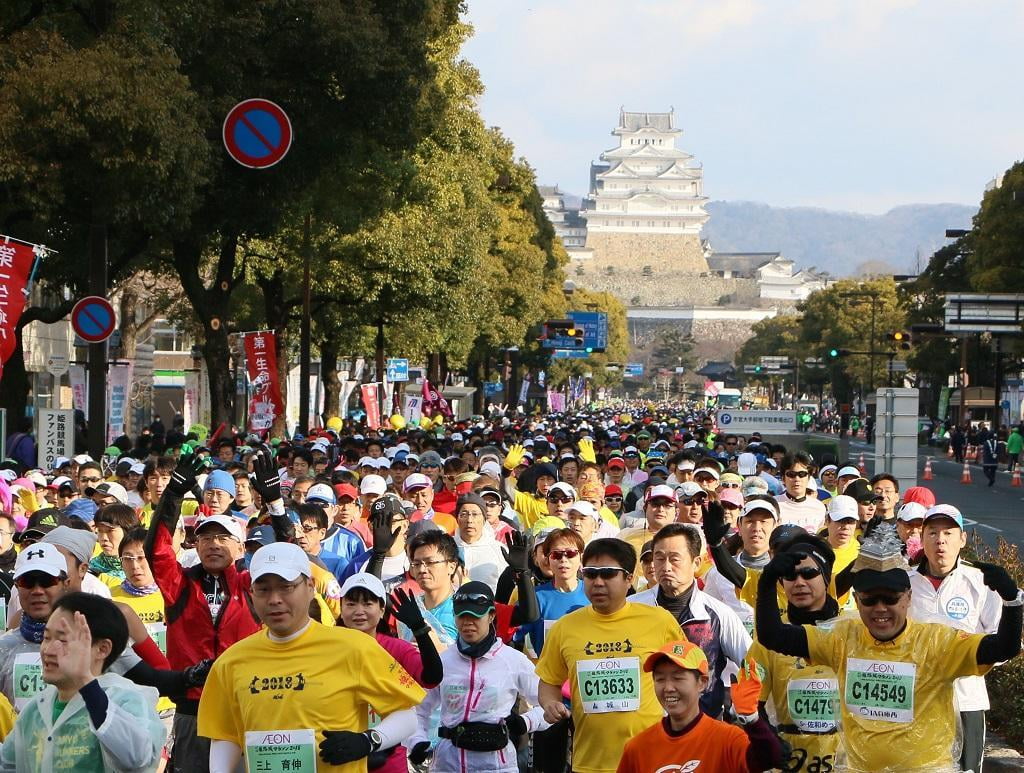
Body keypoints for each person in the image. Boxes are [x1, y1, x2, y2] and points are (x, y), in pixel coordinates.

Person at [755, 522, 1024, 772]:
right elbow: (772, 636)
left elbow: (1004, 648)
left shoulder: (938, 642)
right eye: (870, 600)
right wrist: (768, 582)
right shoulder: (841, 637)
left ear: (908, 598)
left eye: (890, 599)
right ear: (858, 601)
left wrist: (1012, 601)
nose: (880, 609)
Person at [198, 542, 426, 772]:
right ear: (252, 594)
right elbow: (224, 734)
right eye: (264, 589)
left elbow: (406, 715)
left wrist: (368, 740)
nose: (274, 599)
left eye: (286, 587)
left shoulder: (354, 647)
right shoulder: (231, 661)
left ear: (309, 587)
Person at [535, 538, 685, 773]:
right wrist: (551, 703)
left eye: (607, 573)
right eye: (591, 574)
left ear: (629, 579)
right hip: (590, 764)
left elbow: (687, 675)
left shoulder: (660, 621)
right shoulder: (565, 628)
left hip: (652, 762)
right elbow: (549, 682)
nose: (598, 582)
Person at [0, 592, 166, 771]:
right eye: (47, 637)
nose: (48, 649)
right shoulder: (35, 710)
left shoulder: (127, 701)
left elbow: (138, 758)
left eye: (63, 640)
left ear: (102, 649)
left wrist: (85, 683)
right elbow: (8, 765)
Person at [408, 582, 549, 773]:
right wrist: (417, 740)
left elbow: (549, 706)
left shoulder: (513, 660)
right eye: (462, 616)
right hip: (447, 765)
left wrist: (525, 722)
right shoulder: (443, 661)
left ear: (491, 615)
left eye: (475, 616)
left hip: (498, 766)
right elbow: (419, 708)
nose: (468, 623)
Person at [909, 504, 1003, 773]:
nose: (941, 540)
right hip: (915, 701)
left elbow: (1002, 639)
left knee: (967, 770)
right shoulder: (904, 584)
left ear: (962, 539)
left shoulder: (982, 582)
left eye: (949, 533)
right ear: (922, 538)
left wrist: (975, 660)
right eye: (933, 533)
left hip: (967, 700)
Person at [746, 534, 844, 771]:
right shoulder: (767, 639)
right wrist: (769, 740)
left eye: (809, 573)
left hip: (847, 763)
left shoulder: (852, 632)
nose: (799, 582)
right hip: (791, 763)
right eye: (789, 575)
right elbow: (747, 700)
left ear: (826, 577)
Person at [631, 523, 751, 717]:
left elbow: (752, 662)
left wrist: (744, 705)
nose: (666, 567)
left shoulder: (718, 613)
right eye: (659, 559)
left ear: (696, 563)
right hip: (645, 729)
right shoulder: (633, 609)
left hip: (705, 729)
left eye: (674, 559)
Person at [616, 641, 783, 773]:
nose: (668, 687)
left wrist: (751, 718)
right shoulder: (638, 748)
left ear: (702, 683)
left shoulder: (727, 739)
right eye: (660, 679)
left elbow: (770, 759)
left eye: (678, 678)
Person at [337, 573, 441, 773]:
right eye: (351, 604)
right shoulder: (328, 648)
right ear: (341, 609)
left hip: (388, 758)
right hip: (340, 757)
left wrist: (419, 628)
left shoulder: (397, 648)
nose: (359, 611)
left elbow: (432, 677)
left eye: (368, 604)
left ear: (382, 609)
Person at [452, 493, 506, 590]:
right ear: (457, 519)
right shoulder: (447, 547)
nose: (469, 520)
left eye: (475, 514)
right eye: (464, 514)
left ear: (484, 519)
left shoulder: (498, 549)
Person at [775, 452, 826, 532]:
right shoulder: (773, 505)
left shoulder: (819, 507)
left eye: (802, 474)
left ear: (808, 478)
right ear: (783, 479)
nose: (797, 479)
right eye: (791, 474)